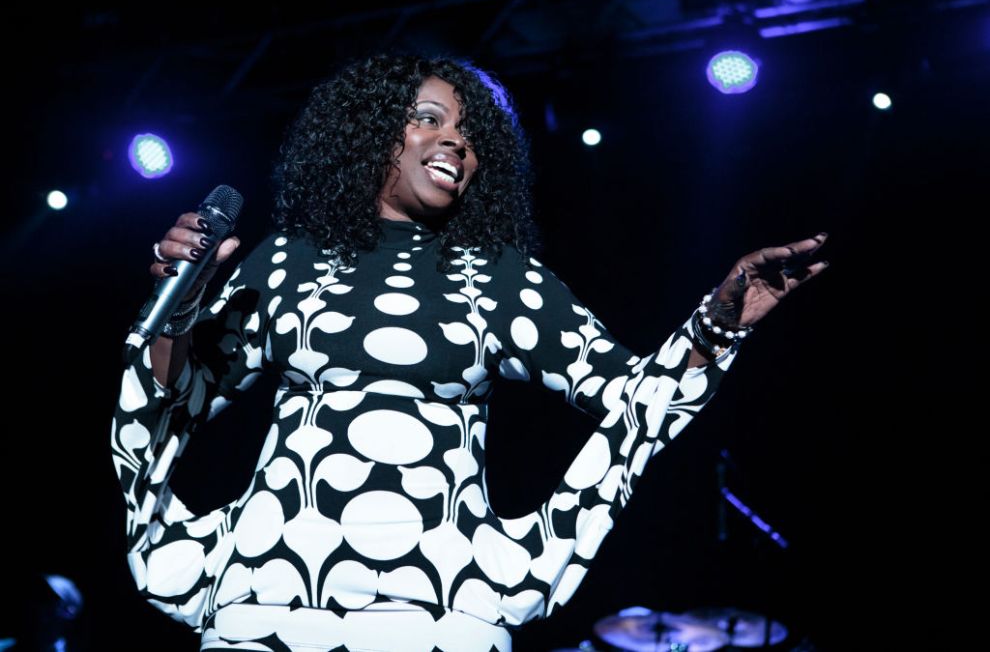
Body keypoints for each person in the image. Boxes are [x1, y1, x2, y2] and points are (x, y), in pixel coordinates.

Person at [110, 53, 828, 651]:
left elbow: (635, 402)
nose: (456, 141)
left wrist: (717, 325)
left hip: (442, 613)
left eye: (471, 133)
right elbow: (176, 400)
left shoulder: (500, 277)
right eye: (429, 118)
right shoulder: (290, 260)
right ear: (371, 133)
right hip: (265, 602)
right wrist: (182, 308)